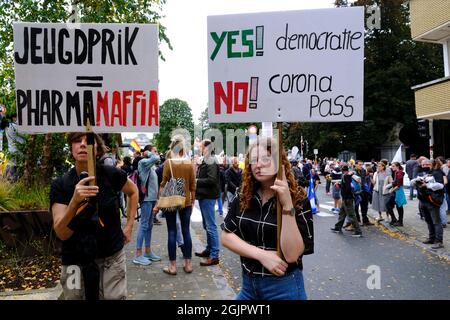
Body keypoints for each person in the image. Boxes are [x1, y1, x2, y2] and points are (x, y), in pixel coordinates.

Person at [221, 137, 314, 300]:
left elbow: (292, 255)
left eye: (265, 159)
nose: (258, 165)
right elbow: (227, 236)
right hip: (248, 287)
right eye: (254, 160)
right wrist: (261, 255)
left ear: (280, 162)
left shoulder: (298, 198)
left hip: (284, 288)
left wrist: (286, 206)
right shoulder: (243, 194)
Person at [50, 132, 138, 300]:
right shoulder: (61, 184)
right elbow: (61, 232)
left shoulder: (111, 174)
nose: (83, 144)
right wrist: (74, 202)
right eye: (77, 141)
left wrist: (129, 226)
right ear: (71, 148)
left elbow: (133, 192)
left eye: (88, 141)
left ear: (97, 149)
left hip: (111, 256)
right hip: (74, 261)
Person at [156, 135, 196, 275]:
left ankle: (173, 267)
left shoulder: (168, 163)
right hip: (186, 201)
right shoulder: (189, 163)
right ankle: (188, 264)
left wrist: (160, 201)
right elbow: (192, 185)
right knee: (186, 231)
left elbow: (163, 184)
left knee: (172, 231)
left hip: (171, 199)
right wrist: (192, 200)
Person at [133, 145, 161, 265]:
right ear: (148, 151)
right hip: (146, 199)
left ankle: (148, 252)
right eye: (155, 151)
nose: (157, 153)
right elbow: (155, 158)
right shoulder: (143, 162)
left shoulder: (152, 166)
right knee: (144, 225)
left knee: (149, 225)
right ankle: (138, 254)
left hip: (152, 199)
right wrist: (148, 153)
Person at [195, 139, 221, 266]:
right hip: (204, 195)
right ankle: (209, 249)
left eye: (201, 147)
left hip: (208, 196)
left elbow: (212, 180)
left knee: (211, 226)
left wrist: (196, 181)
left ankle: (214, 255)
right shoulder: (206, 160)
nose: (200, 148)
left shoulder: (210, 160)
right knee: (207, 225)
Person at [411, 159, 445, 250]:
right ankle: (431, 238)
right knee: (428, 221)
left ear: (431, 164)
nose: (424, 166)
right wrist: (416, 181)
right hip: (423, 201)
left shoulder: (437, 172)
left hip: (432, 201)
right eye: (423, 164)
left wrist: (427, 185)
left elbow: (441, 185)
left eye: (427, 164)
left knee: (436, 222)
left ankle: (439, 241)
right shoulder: (422, 173)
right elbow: (412, 183)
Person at [330, 164, 363, 237]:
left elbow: (348, 188)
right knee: (342, 214)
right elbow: (347, 186)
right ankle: (337, 228)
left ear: (343, 171)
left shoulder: (346, 177)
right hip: (346, 198)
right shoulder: (347, 176)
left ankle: (358, 231)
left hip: (347, 198)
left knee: (351, 215)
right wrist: (341, 185)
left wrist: (341, 187)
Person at [4, 113, 25, 182]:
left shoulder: (7, 127)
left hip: (11, 150)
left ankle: (6, 182)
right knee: (16, 169)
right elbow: (26, 134)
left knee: (11, 165)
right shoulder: (15, 127)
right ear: (13, 118)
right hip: (18, 151)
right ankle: (12, 182)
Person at [386, 162, 407, 226]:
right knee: (396, 206)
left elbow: (398, 185)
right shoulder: (397, 172)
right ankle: (396, 220)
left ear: (397, 166)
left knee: (398, 206)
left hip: (398, 191)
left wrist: (391, 190)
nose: (392, 167)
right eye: (392, 166)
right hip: (396, 191)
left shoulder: (399, 173)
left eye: (393, 166)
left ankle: (399, 221)